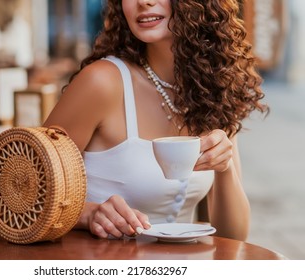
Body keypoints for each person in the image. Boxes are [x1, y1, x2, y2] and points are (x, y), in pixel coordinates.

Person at [44, 0, 268, 241]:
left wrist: (225, 168)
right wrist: (87, 214)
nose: (144, 2)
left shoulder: (213, 91)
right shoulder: (101, 83)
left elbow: (233, 237)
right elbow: (22, 193)